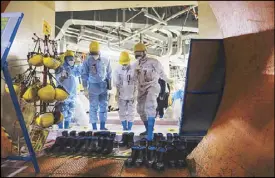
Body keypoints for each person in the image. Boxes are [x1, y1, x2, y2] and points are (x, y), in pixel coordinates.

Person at [133, 43, 168, 140]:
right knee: (140, 109)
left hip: (152, 86)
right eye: (136, 53)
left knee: (150, 106)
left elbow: (162, 74)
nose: (138, 55)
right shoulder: (135, 65)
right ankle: (148, 129)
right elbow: (133, 79)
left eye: (140, 52)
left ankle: (150, 133)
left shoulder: (154, 62)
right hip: (141, 88)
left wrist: (168, 81)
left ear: (144, 52)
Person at [81, 41, 112, 130]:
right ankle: (94, 127)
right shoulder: (87, 61)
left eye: (95, 53)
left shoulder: (106, 60)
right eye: (92, 53)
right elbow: (84, 74)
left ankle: (102, 126)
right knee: (93, 107)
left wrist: (109, 86)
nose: (94, 55)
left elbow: (109, 73)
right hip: (93, 87)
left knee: (104, 106)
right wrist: (85, 88)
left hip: (103, 86)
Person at [55, 50, 82, 129]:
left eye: (72, 59)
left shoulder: (73, 69)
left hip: (72, 95)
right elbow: (58, 78)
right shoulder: (61, 68)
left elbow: (80, 72)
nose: (71, 61)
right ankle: (60, 130)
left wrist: (80, 63)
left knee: (70, 113)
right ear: (65, 59)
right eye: (69, 59)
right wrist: (62, 77)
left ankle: (66, 129)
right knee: (62, 113)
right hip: (62, 94)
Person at [114, 51, 137, 131]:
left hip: (131, 95)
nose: (124, 65)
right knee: (122, 111)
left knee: (131, 112)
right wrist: (116, 94)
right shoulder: (117, 70)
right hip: (121, 94)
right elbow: (117, 83)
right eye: (123, 63)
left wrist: (135, 94)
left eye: (125, 63)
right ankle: (124, 127)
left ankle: (129, 128)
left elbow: (137, 83)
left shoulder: (134, 69)